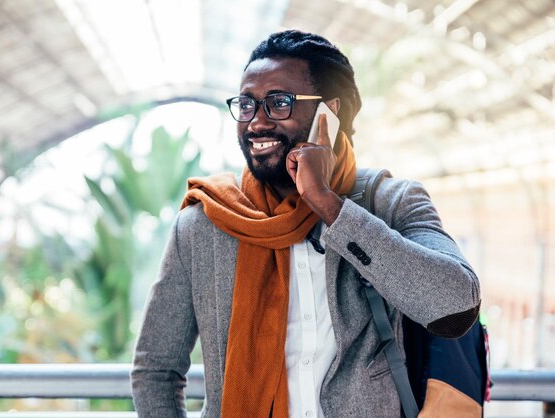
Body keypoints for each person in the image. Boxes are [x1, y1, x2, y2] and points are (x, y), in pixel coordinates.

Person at [131, 30, 480, 418]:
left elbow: (456, 307)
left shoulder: (392, 203)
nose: (256, 122)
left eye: (278, 103)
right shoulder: (205, 224)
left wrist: (330, 206)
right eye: (246, 104)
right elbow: (156, 369)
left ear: (330, 114)